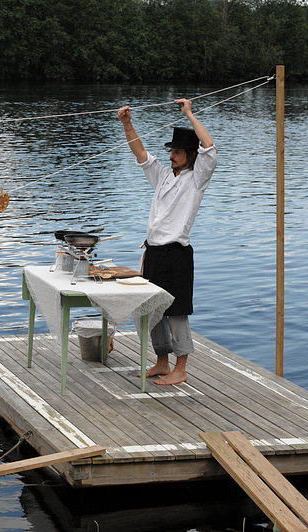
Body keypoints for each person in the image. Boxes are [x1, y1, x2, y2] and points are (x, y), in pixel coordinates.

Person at [117, 99, 217, 385]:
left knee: (176, 312)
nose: (171, 156)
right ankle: (162, 362)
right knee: (151, 310)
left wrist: (189, 113)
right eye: (171, 151)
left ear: (189, 155)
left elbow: (209, 146)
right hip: (153, 254)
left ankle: (181, 369)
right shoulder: (163, 175)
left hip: (176, 254)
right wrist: (127, 124)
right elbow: (141, 154)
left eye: (176, 152)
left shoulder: (197, 178)